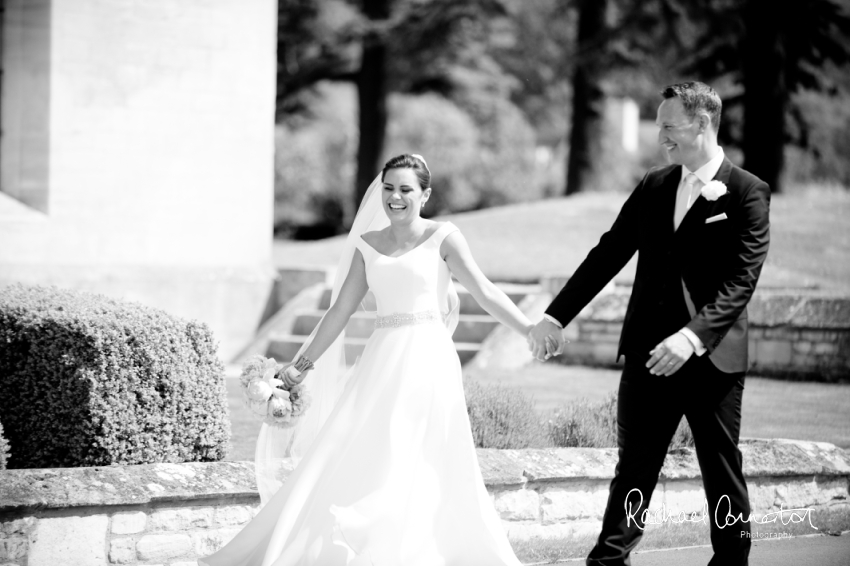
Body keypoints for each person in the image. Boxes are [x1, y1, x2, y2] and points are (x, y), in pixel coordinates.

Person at [200, 154, 531, 566]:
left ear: (425, 195)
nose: (395, 197)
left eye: (406, 189)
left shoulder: (443, 237)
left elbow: (485, 291)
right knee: (360, 446)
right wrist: (299, 367)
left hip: (429, 359)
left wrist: (529, 329)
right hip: (382, 358)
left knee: (422, 451)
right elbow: (339, 311)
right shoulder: (367, 245)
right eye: (389, 188)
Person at [528, 81, 770, 566]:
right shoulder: (654, 185)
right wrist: (555, 315)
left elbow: (741, 281)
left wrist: (691, 338)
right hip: (647, 355)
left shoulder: (746, 192)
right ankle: (609, 561)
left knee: (720, 470)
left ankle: (731, 561)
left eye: (667, 125)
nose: (660, 135)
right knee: (634, 468)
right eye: (659, 125)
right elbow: (608, 254)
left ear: (701, 124)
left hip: (711, 361)